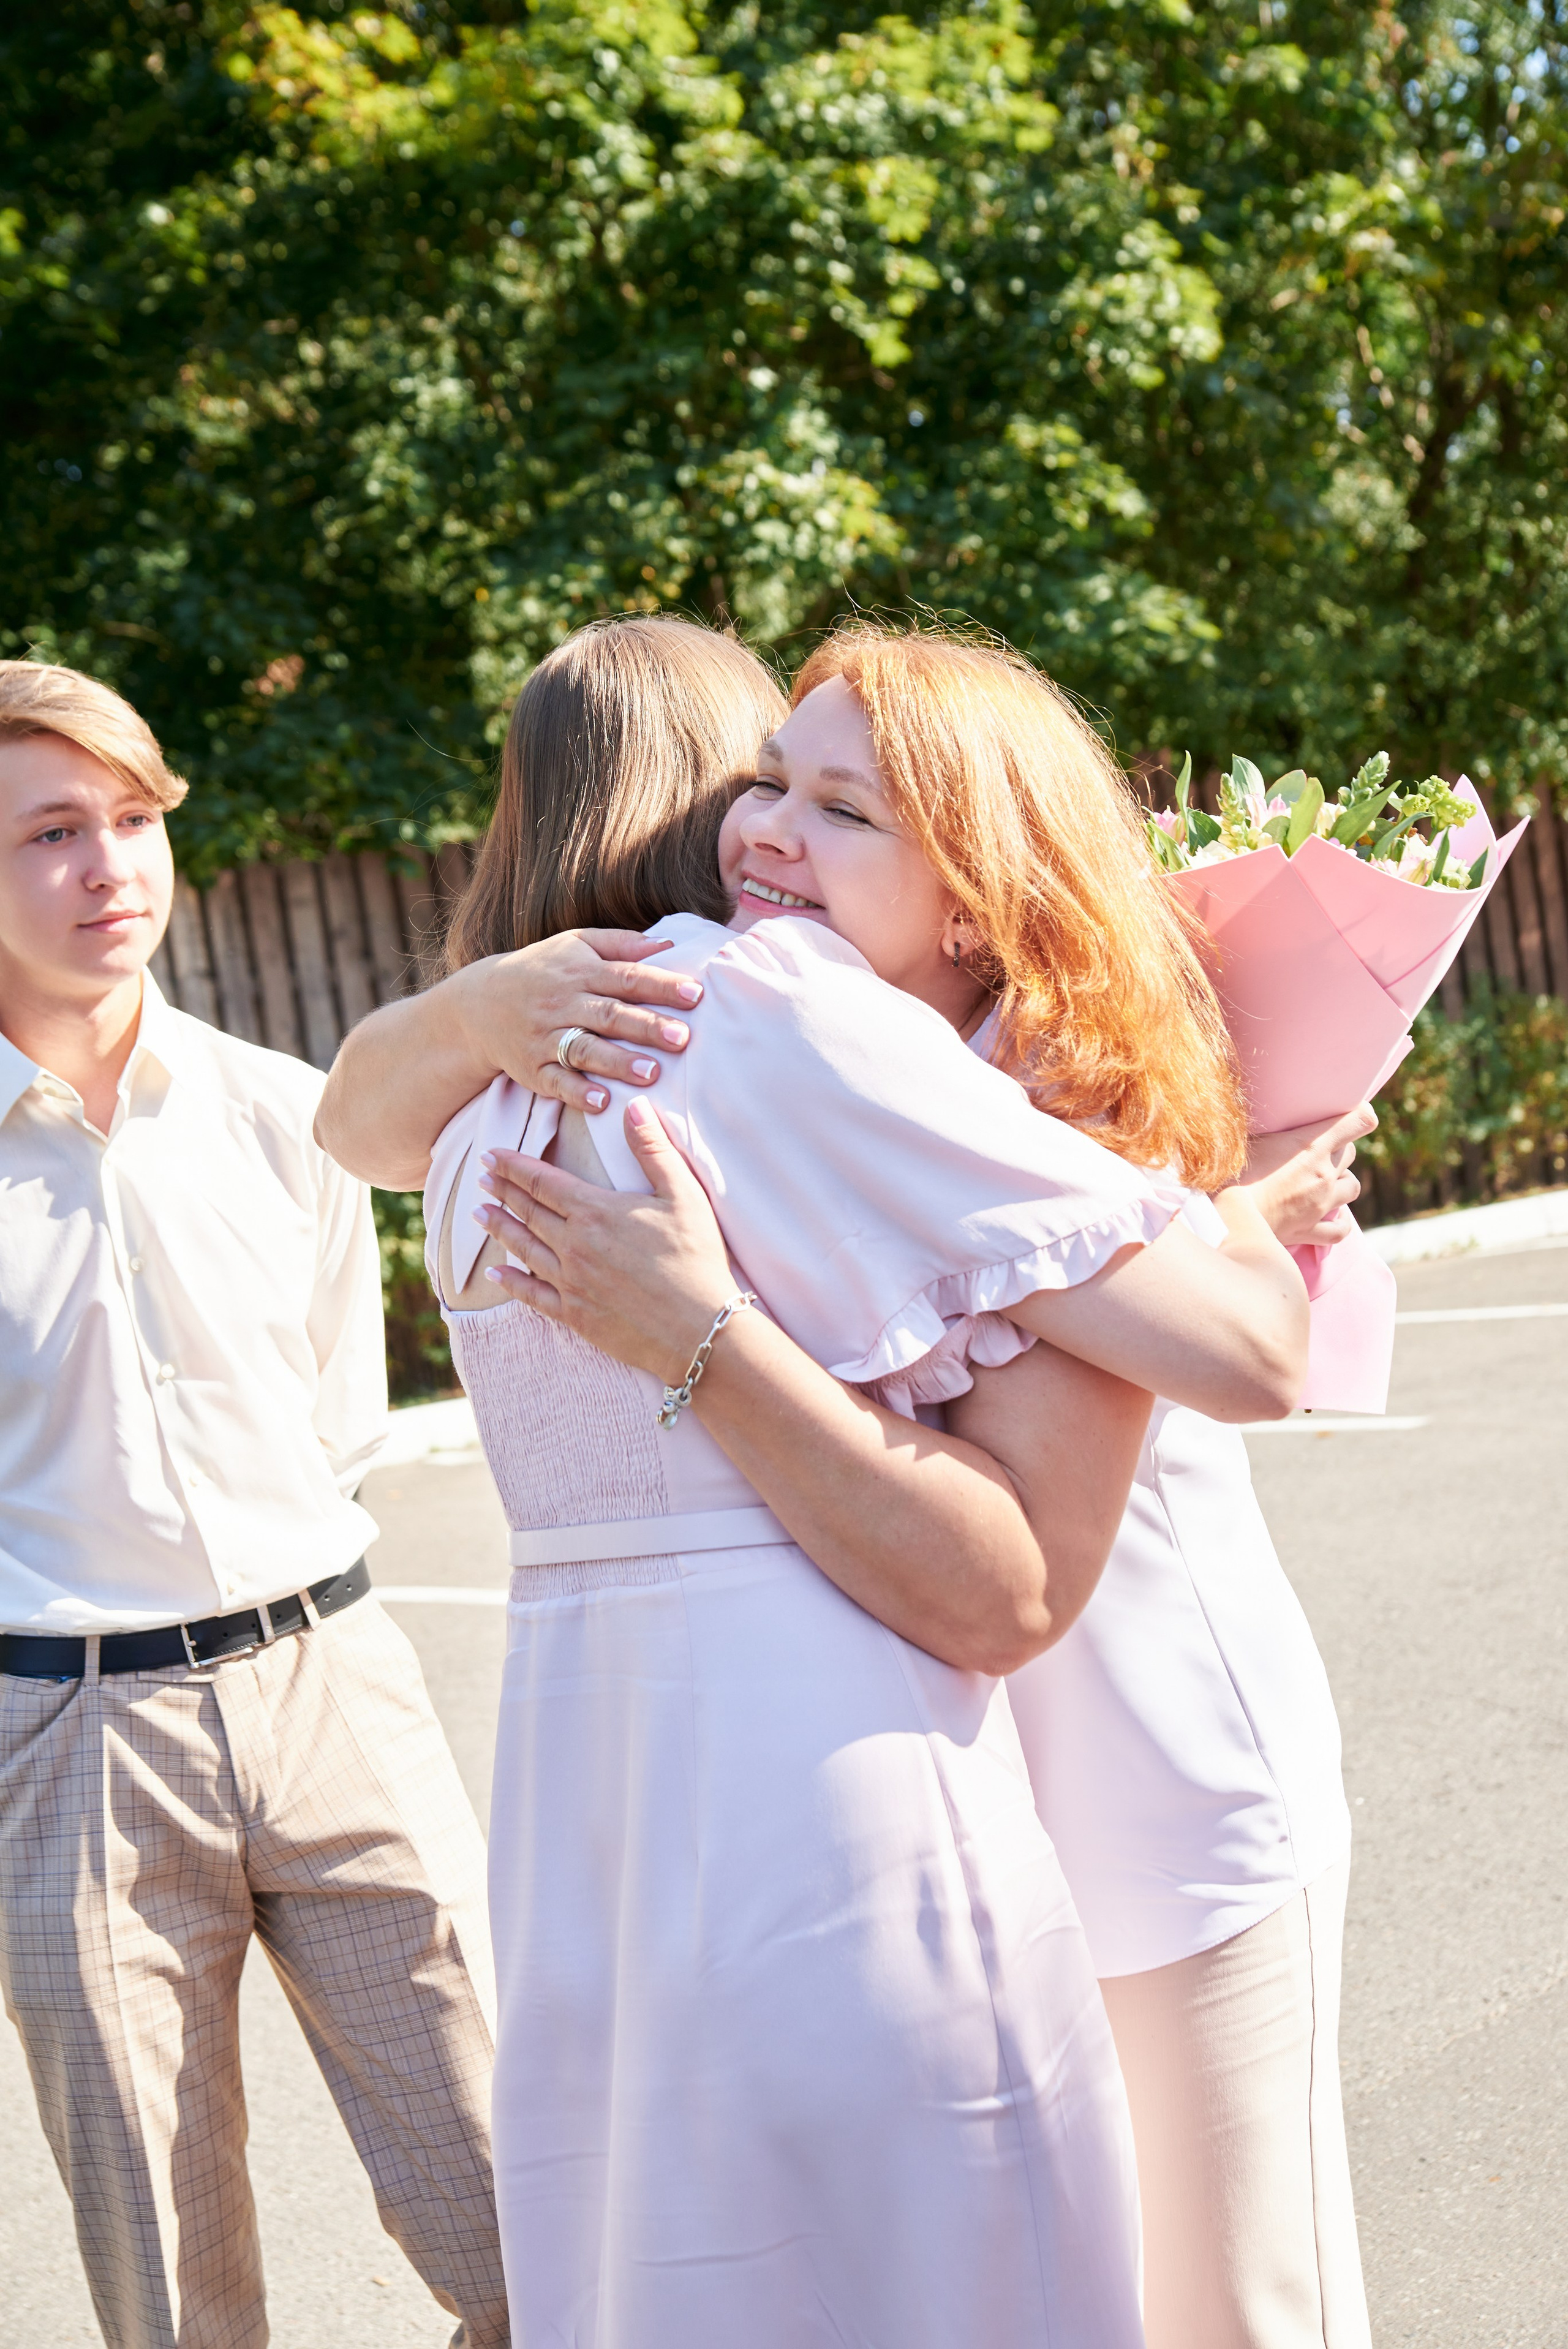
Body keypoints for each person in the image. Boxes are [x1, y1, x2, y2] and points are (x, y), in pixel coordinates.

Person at [322, 617, 1373, 2349]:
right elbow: (357, 1112)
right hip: (949, 1777)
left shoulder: (1039, 1090)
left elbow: (1240, 1358)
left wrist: (1226, 1201)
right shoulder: (762, 1051)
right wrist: (486, 1006)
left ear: (971, 892)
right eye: (765, 783)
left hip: (1162, 1784)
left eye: (836, 806)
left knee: (1235, 2308)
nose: (763, 836)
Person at [0, 660, 510, 2349]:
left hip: (332, 1682)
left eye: (133, 818)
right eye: (52, 832)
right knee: (171, 2291)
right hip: (73, 1743)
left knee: (523, 2208)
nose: (109, 866)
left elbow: (336, 1422)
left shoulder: (287, 1113)